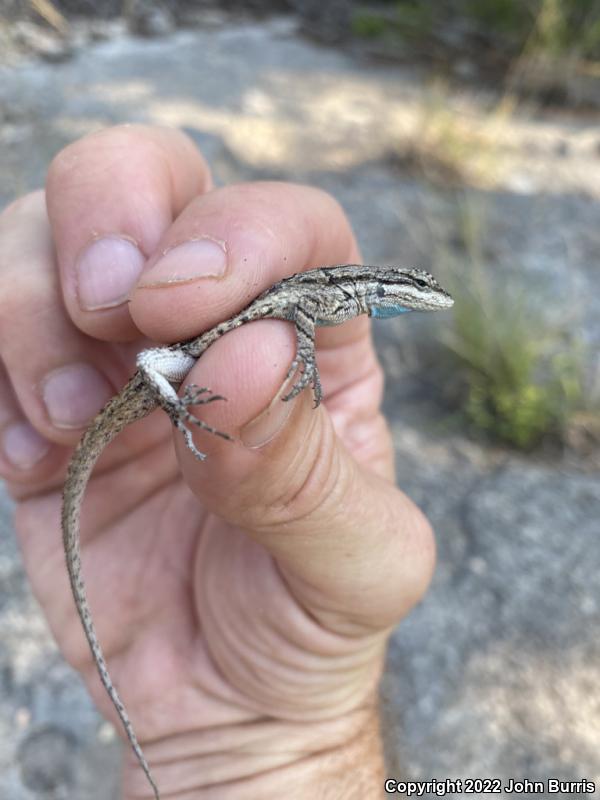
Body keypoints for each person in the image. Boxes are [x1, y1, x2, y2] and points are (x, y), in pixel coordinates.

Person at [0, 125, 435, 798]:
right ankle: (177, 407)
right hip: (172, 363)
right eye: (418, 287)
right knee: (156, 363)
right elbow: (296, 316)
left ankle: (178, 405)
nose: (424, 297)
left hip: (184, 365)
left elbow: (296, 319)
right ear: (393, 284)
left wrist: (254, 755)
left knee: (179, 365)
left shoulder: (350, 296)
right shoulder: (341, 290)